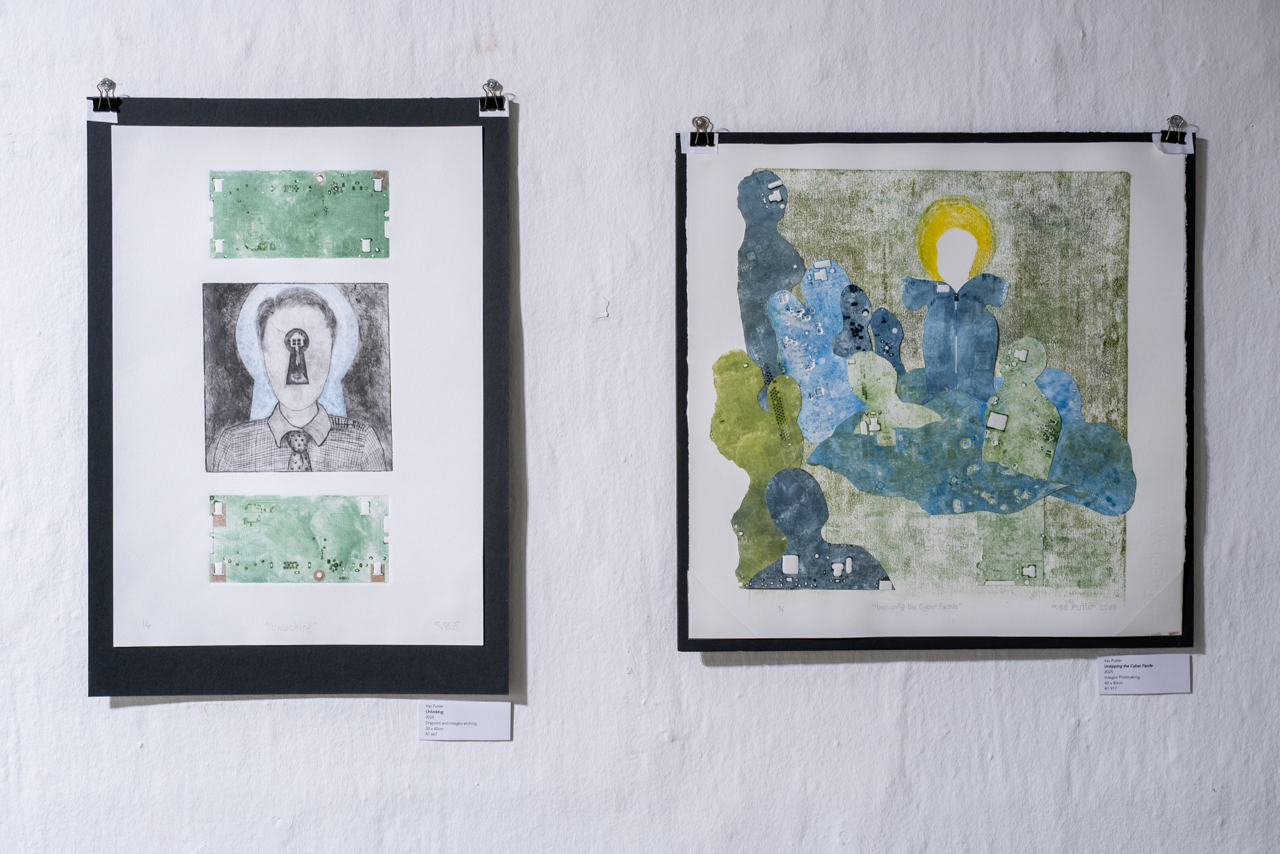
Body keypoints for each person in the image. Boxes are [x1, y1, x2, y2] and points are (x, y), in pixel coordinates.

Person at [211, 288, 387, 472]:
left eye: (314, 351)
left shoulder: (362, 445)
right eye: (280, 350)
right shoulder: (233, 447)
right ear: (263, 356)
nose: (297, 366)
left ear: (331, 354)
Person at [901, 196, 1008, 404]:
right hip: (937, 389)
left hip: (980, 388)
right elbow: (910, 299)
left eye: (965, 251)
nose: (956, 259)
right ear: (934, 253)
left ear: (976, 254)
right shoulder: (932, 289)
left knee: (979, 395)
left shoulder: (982, 285)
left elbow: (999, 294)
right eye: (946, 251)